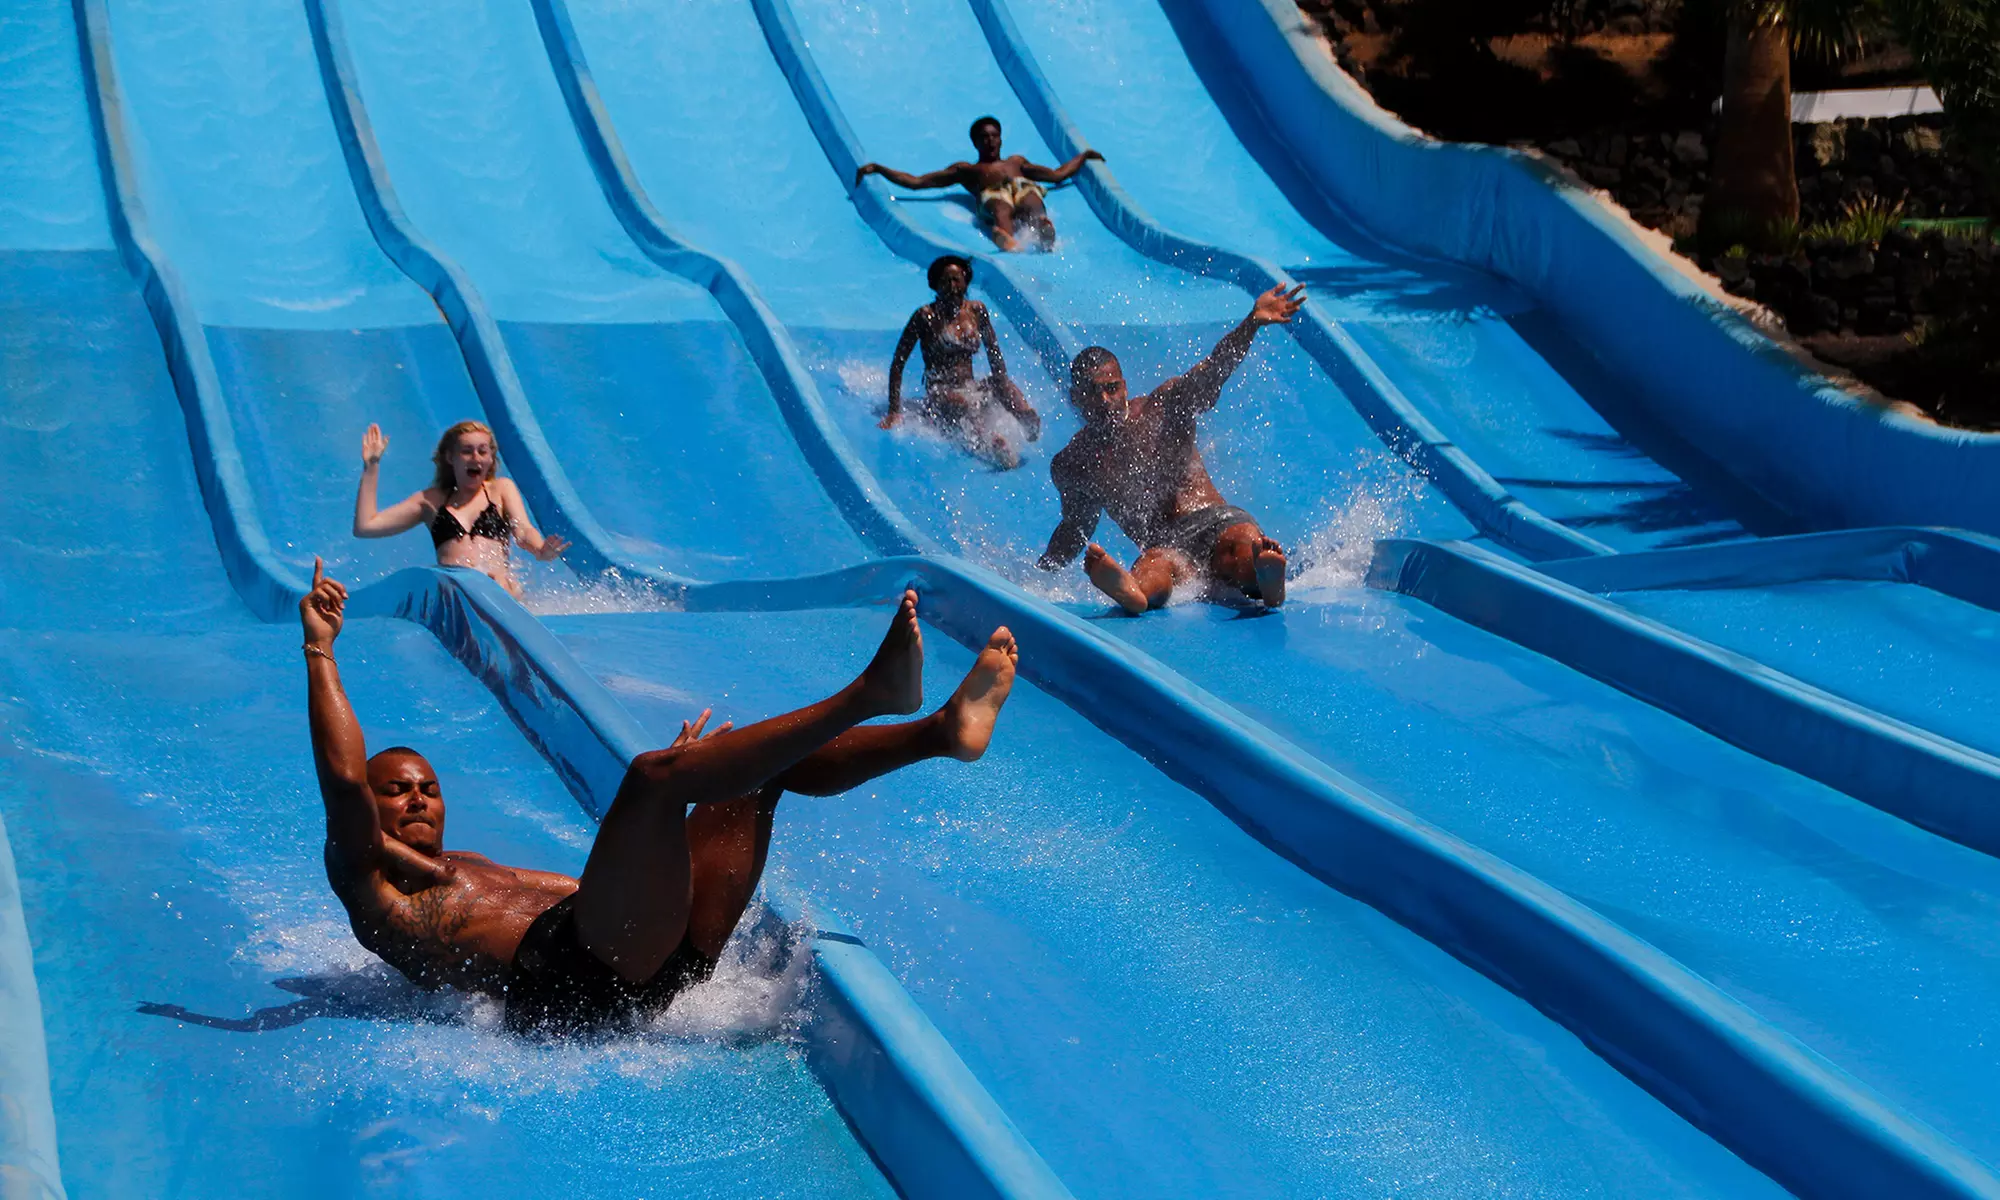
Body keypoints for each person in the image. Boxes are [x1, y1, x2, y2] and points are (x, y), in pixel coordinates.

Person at [299, 559, 1020, 1036]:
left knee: (744, 776)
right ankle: (871, 692)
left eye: (428, 787)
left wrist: (653, 853)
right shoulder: (371, 886)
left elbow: (583, 891)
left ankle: (940, 732)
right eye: (397, 790)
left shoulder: (463, 863)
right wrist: (322, 651)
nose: (420, 800)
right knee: (651, 778)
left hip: (642, 955)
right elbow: (340, 782)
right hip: (578, 985)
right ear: (367, 802)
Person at [1036, 285, 1305, 613]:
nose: (1104, 401)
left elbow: (1212, 372)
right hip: (1166, 547)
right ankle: (1134, 593)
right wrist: (1037, 577)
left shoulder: (1164, 406)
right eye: (1093, 393)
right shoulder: (1074, 463)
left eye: (1112, 389)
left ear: (1124, 386)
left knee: (1242, 546)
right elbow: (1073, 529)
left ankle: (1267, 581)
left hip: (1214, 521)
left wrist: (1250, 324)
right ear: (1076, 398)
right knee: (1154, 569)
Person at [352, 420, 569, 599]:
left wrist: (540, 549)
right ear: (450, 457)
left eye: (482, 451)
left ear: (491, 458)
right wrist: (372, 466)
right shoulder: (430, 501)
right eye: (467, 451)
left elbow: (522, 530)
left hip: (499, 591)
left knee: (500, 584)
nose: (476, 458)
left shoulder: (501, 489)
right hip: (457, 595)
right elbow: (366, 526)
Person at [883, 255, 1042, 469]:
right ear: (935, 285)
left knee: (1001, 384)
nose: (952, 286)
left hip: (970, 386)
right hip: (940, 392)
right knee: (963, 402)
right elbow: (898, 363)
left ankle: (1026, 418)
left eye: (956, 280)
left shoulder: (976, 311)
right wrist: (894, 410)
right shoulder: (925, 317)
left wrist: (1002, 384)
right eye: (945, 281)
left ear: (966, 281)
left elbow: (993, 352)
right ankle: (990, 442)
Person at [855, 116, 1102, 251]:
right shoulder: (967, 170)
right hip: (992, 196)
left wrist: (1083, 156)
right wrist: (879, 169)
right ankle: (1004, 236)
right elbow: (918, 182)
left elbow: (1057, 175)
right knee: (999, 205)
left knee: (1030, 197)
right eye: (984, 137)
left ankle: (1042, 229)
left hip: (1021, 187)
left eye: (995, 136)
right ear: (975, 143)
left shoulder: (1017, 163)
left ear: (1001, 140)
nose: (990, 141)